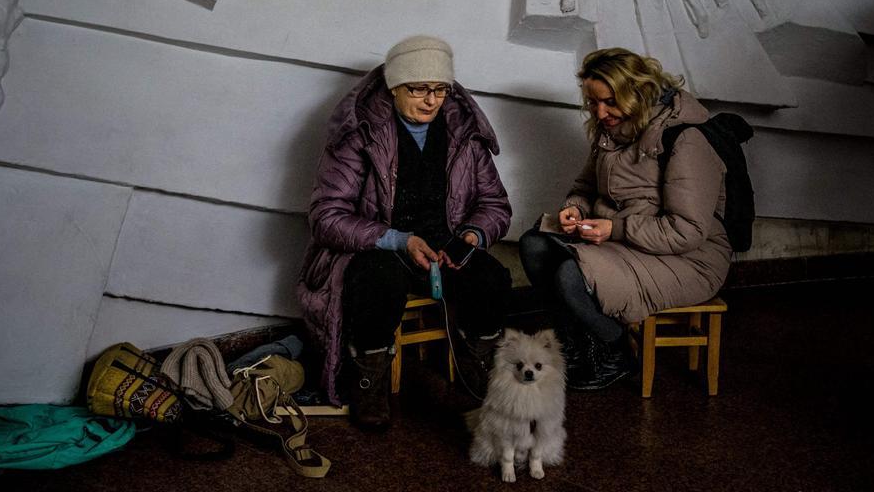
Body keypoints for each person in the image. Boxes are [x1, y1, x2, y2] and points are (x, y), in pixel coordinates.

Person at [297, 36, 513, 430]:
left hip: (445, 236)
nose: (431, 101)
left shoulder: (463, 131)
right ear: (394, 87)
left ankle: (477, 365)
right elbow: (326, 216)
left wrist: (471, 237)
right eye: (419, 89)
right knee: (379, 282)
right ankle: (369, 381)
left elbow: (494, 205)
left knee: (491, 278)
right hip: (375, 241)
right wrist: (398, 239)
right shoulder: (360, 134)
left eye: (440, 90)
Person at [519, 47, 731, 389]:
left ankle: (616, 351)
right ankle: (578, 344)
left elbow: (687, 231)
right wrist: (577, 209)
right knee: (533, 245)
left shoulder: (686, 138)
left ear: (637, 93)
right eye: (592, 102)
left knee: (570, 274)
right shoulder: (609, 131)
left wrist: (615, 228)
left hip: (689, 257)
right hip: (627, 242)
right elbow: (586, 187)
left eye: (609, 102)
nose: (600, 112)